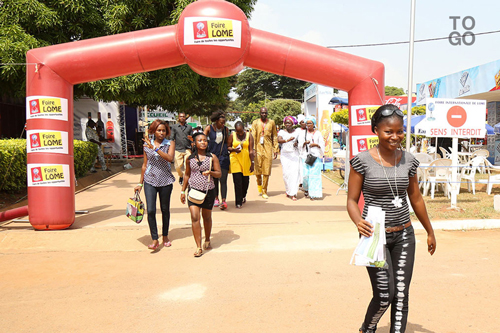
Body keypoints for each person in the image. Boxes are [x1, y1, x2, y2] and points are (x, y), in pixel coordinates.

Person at [346, 104, 436, 333]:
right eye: (389, 132)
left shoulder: (409, 160)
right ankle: (368, 328)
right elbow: (351, 200)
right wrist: (358, 220)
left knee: (402, 295)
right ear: (376, 130)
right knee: (385, 293)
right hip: (374, 235)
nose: (395, 137)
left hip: (405, 233)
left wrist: (429, 231)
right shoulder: (362, 161)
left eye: (400, 131)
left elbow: (415, 198)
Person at [134, 119, 176, 250]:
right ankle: (154, 238)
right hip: (150, 180)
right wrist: (140, 184)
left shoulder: (170, 143)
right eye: (159, 130)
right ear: (153, 131)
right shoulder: (147, 144)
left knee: (165, 210)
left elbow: (170, 158)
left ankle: (165, 236)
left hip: (165, 181)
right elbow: (145, 165)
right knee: (151, 210)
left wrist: (156, 149)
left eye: (163, 130)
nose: (161, 133)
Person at [180, 132, 221, 257]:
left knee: (207, 217)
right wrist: (183, 190)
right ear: (195, 143)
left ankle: (207, 239)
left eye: (205, 140)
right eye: (200, 140)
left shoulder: (212, 157)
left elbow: (219, 173)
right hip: (193, 191)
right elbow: (187, 174)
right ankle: (198, 246)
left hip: (208, 191)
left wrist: (211, 173)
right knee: (194, 217)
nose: (203, 142)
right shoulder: (190, 159)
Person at [251, 107, 278, 199]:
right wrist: (253, 149)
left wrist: (275, 149)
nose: (264, 114)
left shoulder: (271, 122)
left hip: (267, 147)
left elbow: (274, 135)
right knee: (258, 170)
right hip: (258, 147)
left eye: (265, 113)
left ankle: (264, 190)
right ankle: (259, 183)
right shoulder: (255, 122)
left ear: (267, 113)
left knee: (266, 170)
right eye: (262, 113)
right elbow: (253, 136)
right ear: (259, 113)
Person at [204, 111, 230, 210]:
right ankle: (216, 198)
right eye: (221, 122)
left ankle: (224, 200)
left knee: (223, 180)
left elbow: (227, 142)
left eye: (224, 122)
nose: (222, 124)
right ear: (216, 121)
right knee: (214, 180)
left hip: (223, 157)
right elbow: (203, 139)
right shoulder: (209, 128)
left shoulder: (226, 130)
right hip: (212, 157)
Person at [228, 121, 254, 208]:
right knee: (237, 180)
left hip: (246, 159)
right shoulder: (232, 135)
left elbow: (251, 150)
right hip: (235, 158)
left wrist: (252, 163)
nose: (239, 133)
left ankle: (243, 196)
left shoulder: (249, 135)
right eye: (237, 131)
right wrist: (234, 150)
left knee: (245, 180)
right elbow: (228, 147)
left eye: (241, 131)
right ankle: (238, 202)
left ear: (244, 129)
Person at [297, 116, 325, 200]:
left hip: (315, 157)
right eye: (307, 123)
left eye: (310, 123)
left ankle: (313, 193)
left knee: (314, 175)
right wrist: (304, 143)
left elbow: (322, 144)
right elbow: (299, 144)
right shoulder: (303, 133)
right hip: (305, 156)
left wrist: (316, 145)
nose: (308, 125)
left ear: (314, 124)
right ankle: (306, 189)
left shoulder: (318, 133)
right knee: (306, 175)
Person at [278, 116, 300, 201]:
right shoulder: (281, 132)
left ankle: (293, 193)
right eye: (286, 123)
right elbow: (279, 140)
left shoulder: (297, 132)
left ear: (293, 124)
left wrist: (297, 144)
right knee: (286, 174)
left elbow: (299, 141)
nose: (287, 124)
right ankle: (288, 190)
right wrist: (288, 140)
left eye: (289, 123)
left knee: (294, 174)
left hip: (294, 154)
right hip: (285, 155)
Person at [170, 112, 193, 185]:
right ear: (178, 118)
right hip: (178, 149)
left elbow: (192, 138)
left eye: (183, 116)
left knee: (187, 166)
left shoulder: (189, 127)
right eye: (180, 116)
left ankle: (187, 179)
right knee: (177, 166)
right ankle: (181, 176)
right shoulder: (174, 127)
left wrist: (192, 144)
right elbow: (172, 138)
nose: (182, 118)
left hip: (187, 149)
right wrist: (171, 149)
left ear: (185, 118)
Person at [296, 114, 307, 189]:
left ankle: (305, 182)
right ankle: (300, 182)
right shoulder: (297, 131)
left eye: (305, 122)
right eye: (302, 122)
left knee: (305, 168)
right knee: (299, 168)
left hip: (306, 152)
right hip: (298, 152)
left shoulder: (309, 130)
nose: (304, 123)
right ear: (300, 123)